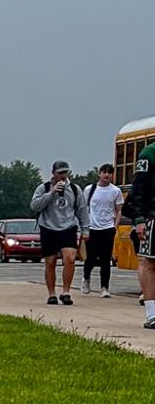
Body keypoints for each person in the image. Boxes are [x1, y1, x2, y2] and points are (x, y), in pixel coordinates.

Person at [30, 160, 88, 306]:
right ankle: (51, 294)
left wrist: (85, 229)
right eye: (60, 173)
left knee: (70, 259)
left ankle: (66, 292)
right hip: (48, 228)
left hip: (68, 227)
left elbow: (82, 210)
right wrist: (52, 192)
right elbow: (35, 205)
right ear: (53, 173)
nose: (62, 176)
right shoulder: (43, 188)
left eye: (65, 172)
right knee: (50, 262)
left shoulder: (75, 189)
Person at [125, 136, 155, 331]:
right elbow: (138, 189)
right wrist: (139, 220)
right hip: (153, 215)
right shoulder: (149, 153)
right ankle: (152, 313)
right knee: (148, 261)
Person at [80, 164, 122, 297]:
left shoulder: (116, 191)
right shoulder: (90, 189)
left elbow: (119, 210)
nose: (107, 175)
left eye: (110, 173)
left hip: (108, 228)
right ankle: (86, 277)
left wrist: (115, 226)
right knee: (91, 258)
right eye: (104, 172)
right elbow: (83, 208)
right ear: (99, 174)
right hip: (92, 227)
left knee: (105, 259)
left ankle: (104, 287)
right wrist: (84, 227)